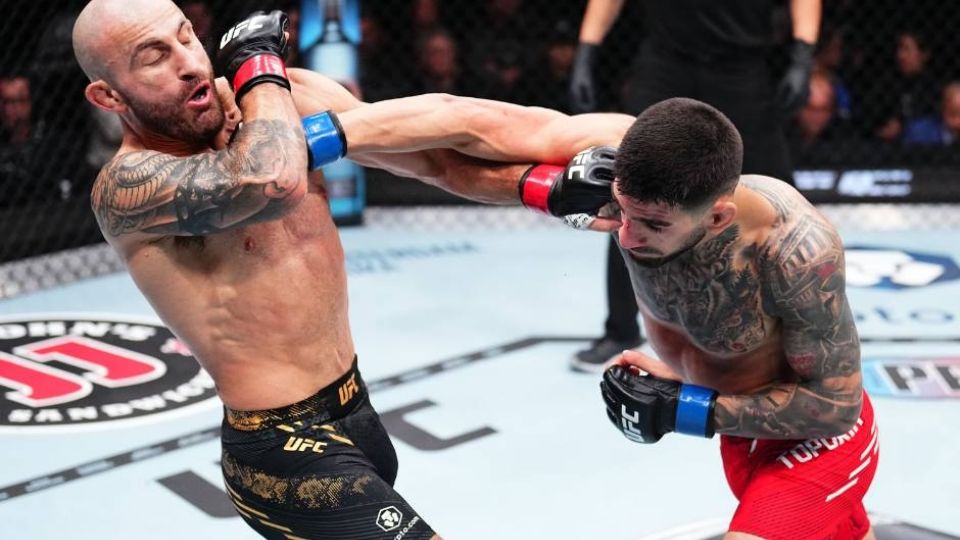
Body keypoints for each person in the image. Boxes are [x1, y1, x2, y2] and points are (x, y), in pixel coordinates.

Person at [72, 1, 629, 537]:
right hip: (279, 449)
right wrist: (262, 72)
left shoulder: (275, 98)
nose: (189, 63)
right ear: (107, 95)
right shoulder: (128, 187)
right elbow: (270, 180)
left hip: (356, 409)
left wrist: (542, 188)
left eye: (186, 36)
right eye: (154, 56)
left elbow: (435, 158)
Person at [598, 97, 877, 539]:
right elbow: (495, 131)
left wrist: (686, 409)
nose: (626, 236)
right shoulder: (621, 178)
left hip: (821, 439)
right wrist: (536, 188)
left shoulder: (793, 250)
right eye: (622, 210)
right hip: (741, 434)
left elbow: (837, 406)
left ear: (717, 217)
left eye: (653, 224)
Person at [566, 0, 821, 372]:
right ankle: (620, 330)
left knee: (781, 205)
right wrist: (587, 51)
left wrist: (803, 56)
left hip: (740, 69)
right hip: (666, 66)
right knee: (631, 195)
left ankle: (802, 331)